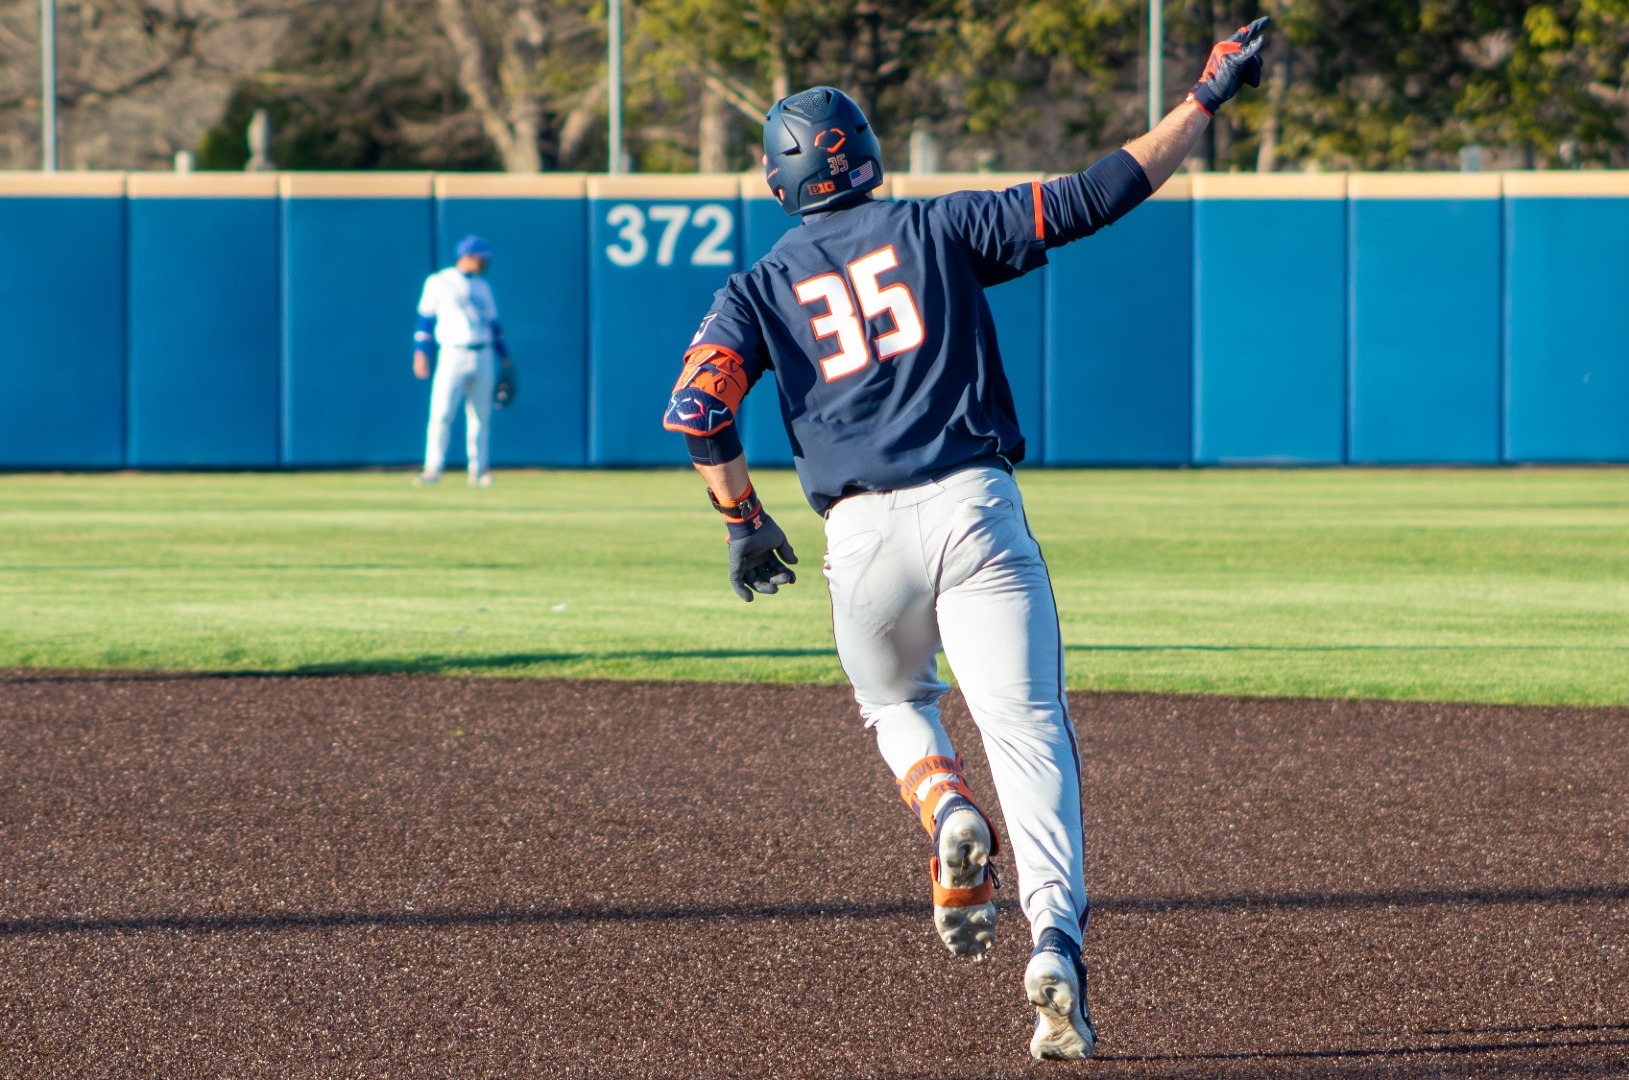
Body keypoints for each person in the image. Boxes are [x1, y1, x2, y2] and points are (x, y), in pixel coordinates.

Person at [659, 19, 1268, 1061]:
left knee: (894, 701)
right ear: (870, 155)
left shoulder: (755, 289)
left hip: (860, 535)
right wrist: (1203, 98)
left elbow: (697, 410)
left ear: (778, 186)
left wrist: (742, 520)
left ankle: (943, 804)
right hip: (977, 508)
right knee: (1029, 733)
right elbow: (1098, 193)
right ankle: (1057, 950)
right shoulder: (939, 226)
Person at [413, 234, 514, 486]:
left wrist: (505, 359)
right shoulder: (439, 281)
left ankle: (479, 470)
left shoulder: (483, 286)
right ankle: (432, 468)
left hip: (484, 353)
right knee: (441, 413)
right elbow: (425, 320)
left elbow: (494, 326)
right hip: (452, 352)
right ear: (468, 256)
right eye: (481, 257)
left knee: (481, 416)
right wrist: (420, 352)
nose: (485, 262)